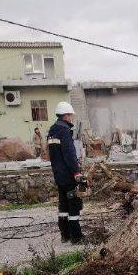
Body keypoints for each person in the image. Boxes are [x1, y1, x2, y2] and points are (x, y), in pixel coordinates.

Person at [47, 102, 85, 243]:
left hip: (58, 174)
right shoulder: (64, 131)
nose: (71, 118)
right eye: (70, 115)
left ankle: (65, 235)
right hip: (68, 174)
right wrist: (76, 172)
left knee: (63, 205)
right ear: (66, 115)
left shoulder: (52, 130)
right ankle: (76, 237)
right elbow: (69, 154)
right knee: (73, 204)